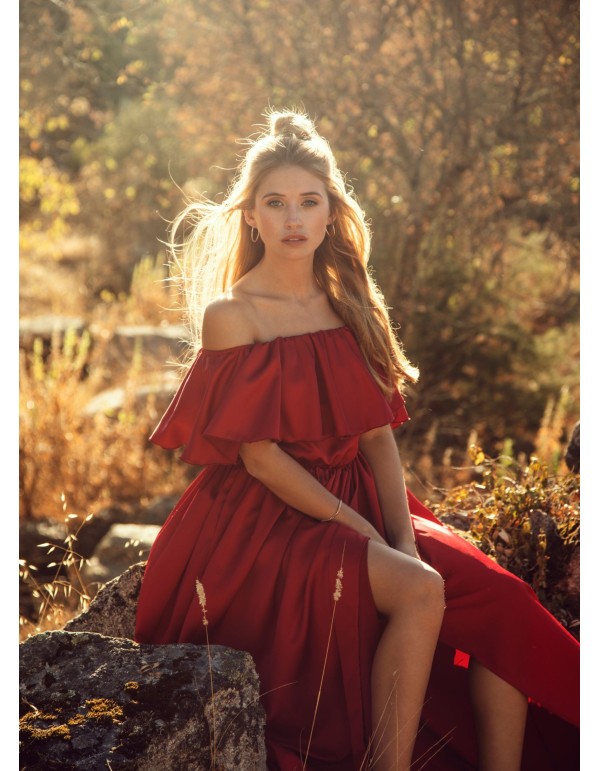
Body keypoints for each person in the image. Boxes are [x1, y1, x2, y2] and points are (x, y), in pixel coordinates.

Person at [135, 109, 579, 771]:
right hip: (265, 521)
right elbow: (259, 457)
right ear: (250, 215)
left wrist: (399, 534)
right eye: (276, 203)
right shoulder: (233, 315)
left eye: (308, 203)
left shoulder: (349, 302)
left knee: (503, 600)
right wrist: (363, 532)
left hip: (362, 498)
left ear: (330, 213)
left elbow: (377, 438)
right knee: (419, 589)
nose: (293, 219)